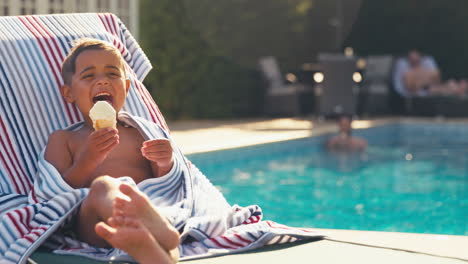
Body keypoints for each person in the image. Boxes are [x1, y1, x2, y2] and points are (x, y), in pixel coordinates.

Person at [44, 39, 179, 264]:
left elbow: (167, 181)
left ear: (126, 87)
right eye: (89, 76)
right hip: (94, 223)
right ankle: (147, 232)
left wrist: (165, 162)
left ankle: (155, 250)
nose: (103, 81)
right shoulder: (65, 140)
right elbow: (53, 193)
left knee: (151, 211)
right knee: (103, 185)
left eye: (112, 74)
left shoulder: (140, 132)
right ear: (69, 94)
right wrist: (87, 161)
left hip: (150, 206)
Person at [399, 49, 467, 96]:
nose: (415, 60)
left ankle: (460, 89)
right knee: (447, 88)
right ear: (409, 60)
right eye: (413, 58)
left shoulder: (426, 69)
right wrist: (422, 83)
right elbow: (410, 88)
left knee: (451, 83)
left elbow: (437, 79)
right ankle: (459, 90)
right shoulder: (408, 73)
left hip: (433, 86)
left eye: (417, 58)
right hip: (426, 90)